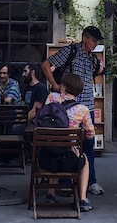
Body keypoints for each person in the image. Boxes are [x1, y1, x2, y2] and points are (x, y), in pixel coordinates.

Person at [41, 25, 105, 196]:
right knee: (65, 144)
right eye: (93, 40)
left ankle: (90, 181)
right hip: (67, 108)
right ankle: (65, 181)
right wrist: (55, 86)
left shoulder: (92, 58)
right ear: (85, 38)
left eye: (97, 41)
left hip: (87, 107)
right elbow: (46, 65)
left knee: (88, 145)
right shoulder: (70, 51)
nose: (95, 44)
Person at [37, 73, 95, 212]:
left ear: (64, 87)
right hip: (69, 161)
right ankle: (82, 199)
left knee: (53, 147)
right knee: (84, 161)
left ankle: (51, 193)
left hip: (44, 159)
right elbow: (90, 134)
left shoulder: (51, 98)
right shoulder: (83, 110)